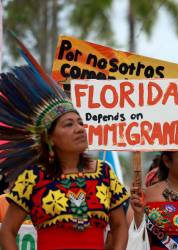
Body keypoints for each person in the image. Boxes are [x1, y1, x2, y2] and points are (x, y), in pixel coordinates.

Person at [0, 41, 129, 249]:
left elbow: (120, 224)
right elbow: (7, 230)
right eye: (69, 124)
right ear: (50, 138)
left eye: (80, 123)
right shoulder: (33, 177)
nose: (79, 129)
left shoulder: (104, 173)